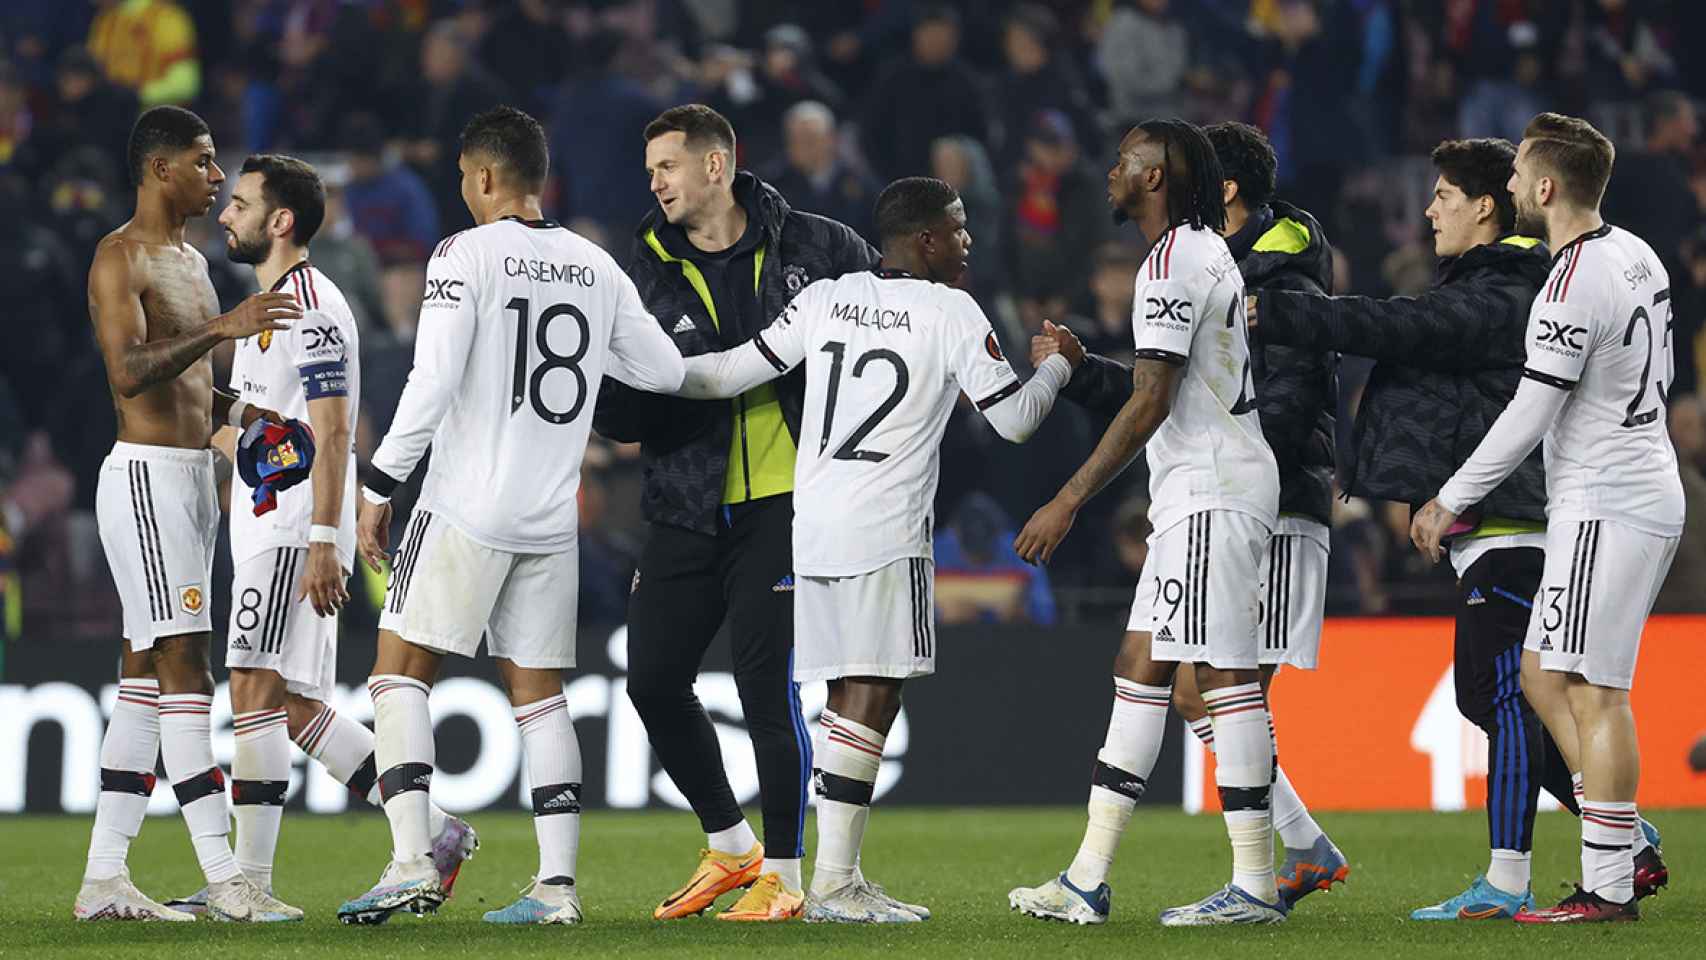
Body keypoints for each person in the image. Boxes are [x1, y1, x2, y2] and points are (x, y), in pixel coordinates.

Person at [1255, 136, 1666, 919]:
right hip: (1517, 517)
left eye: (1443, 195)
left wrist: (1274, 310)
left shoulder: (1509, 286)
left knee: (1514, 694)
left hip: (1521, 519)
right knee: (1517, 695)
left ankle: (1512, 879)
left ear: (1486, 206)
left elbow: (1401, 328)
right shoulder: (1523, 278)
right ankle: (1624, 834)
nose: (1428, 209)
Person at [659, 175, 1075, 922]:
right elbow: (1013, 421)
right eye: (956, 228)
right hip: (887, 529)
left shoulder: (825, 297)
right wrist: (1059, 365)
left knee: (843, 697)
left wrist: (647, 370)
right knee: (873, 693)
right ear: (924, 241)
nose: (967, 240)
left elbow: (727, 372)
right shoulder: (951, 310)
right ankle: (835, 884)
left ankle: (832, 880)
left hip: (811, 528)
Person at [337, 105, 685, 927]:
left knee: (397, 675)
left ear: (486, 176)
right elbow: (665, 372)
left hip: (465, 504)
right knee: (540, 699)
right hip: (549, 516)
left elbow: (431, 381)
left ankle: (411, 861)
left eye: (464, 176)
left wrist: (379, 485)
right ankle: (557, 890)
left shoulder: (466, 253)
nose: (462, 190)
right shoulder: (595, 266)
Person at [1034, 120, 1346, 912]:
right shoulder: (1205, 250)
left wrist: (1068, 499)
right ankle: (1087, 879)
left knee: (1222, 683)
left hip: (1212, 488)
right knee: (1141, 673)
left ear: (1155, 177)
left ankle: (1254, 884)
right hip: (1196, 491)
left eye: (1125, 160)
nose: (1111, 169)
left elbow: (1152, 399)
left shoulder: (1174, 261)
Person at [157, 155, 476, 917]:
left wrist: (325, 538)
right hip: (275, 522)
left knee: (254, 691)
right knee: (294, 705)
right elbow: (282, 426)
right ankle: (436, 832)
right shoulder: (271, 305)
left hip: (294, 530)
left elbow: (334, 432)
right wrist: (213, 419)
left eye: (239, 205)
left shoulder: (312, 306)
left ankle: (251, 887)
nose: (224, 215)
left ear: (280, 221)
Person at [591, 104, 877, 922]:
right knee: (650, 680)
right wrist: (661, 405)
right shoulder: (637, 270)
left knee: (764, 684)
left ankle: (785, 874)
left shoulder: (820, 246)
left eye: (668, 167)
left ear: (716, 166)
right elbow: (614, 406)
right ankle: (730, 845)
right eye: (651, 170)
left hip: (789, 504)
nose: (655, 183)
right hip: (684, 502)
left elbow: (887, 338)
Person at [1413, 112, 1684, 924]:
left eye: (1519, 175)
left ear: (1543, 187)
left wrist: (1450, 499)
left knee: (1597, 694)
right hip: (1634, 489)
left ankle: (1606, 886)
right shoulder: (1635, 254)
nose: (1510, 190)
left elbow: (1531, 412)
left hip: (1609, 502)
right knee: (1540, 674)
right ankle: (1625, 844)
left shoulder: (1568, 284)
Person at [76, 105, 302, 923]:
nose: (216, 177)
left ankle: (105, 878)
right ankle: (226, 878)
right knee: (187, 672)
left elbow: (193, 389)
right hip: (143, 482)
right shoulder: (118, 258)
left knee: (143, 678)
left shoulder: (194, 263)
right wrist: (225, 326)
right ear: (159, 168)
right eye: (204, 163)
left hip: (192, 483)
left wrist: (251, 424)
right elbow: (130, 372)